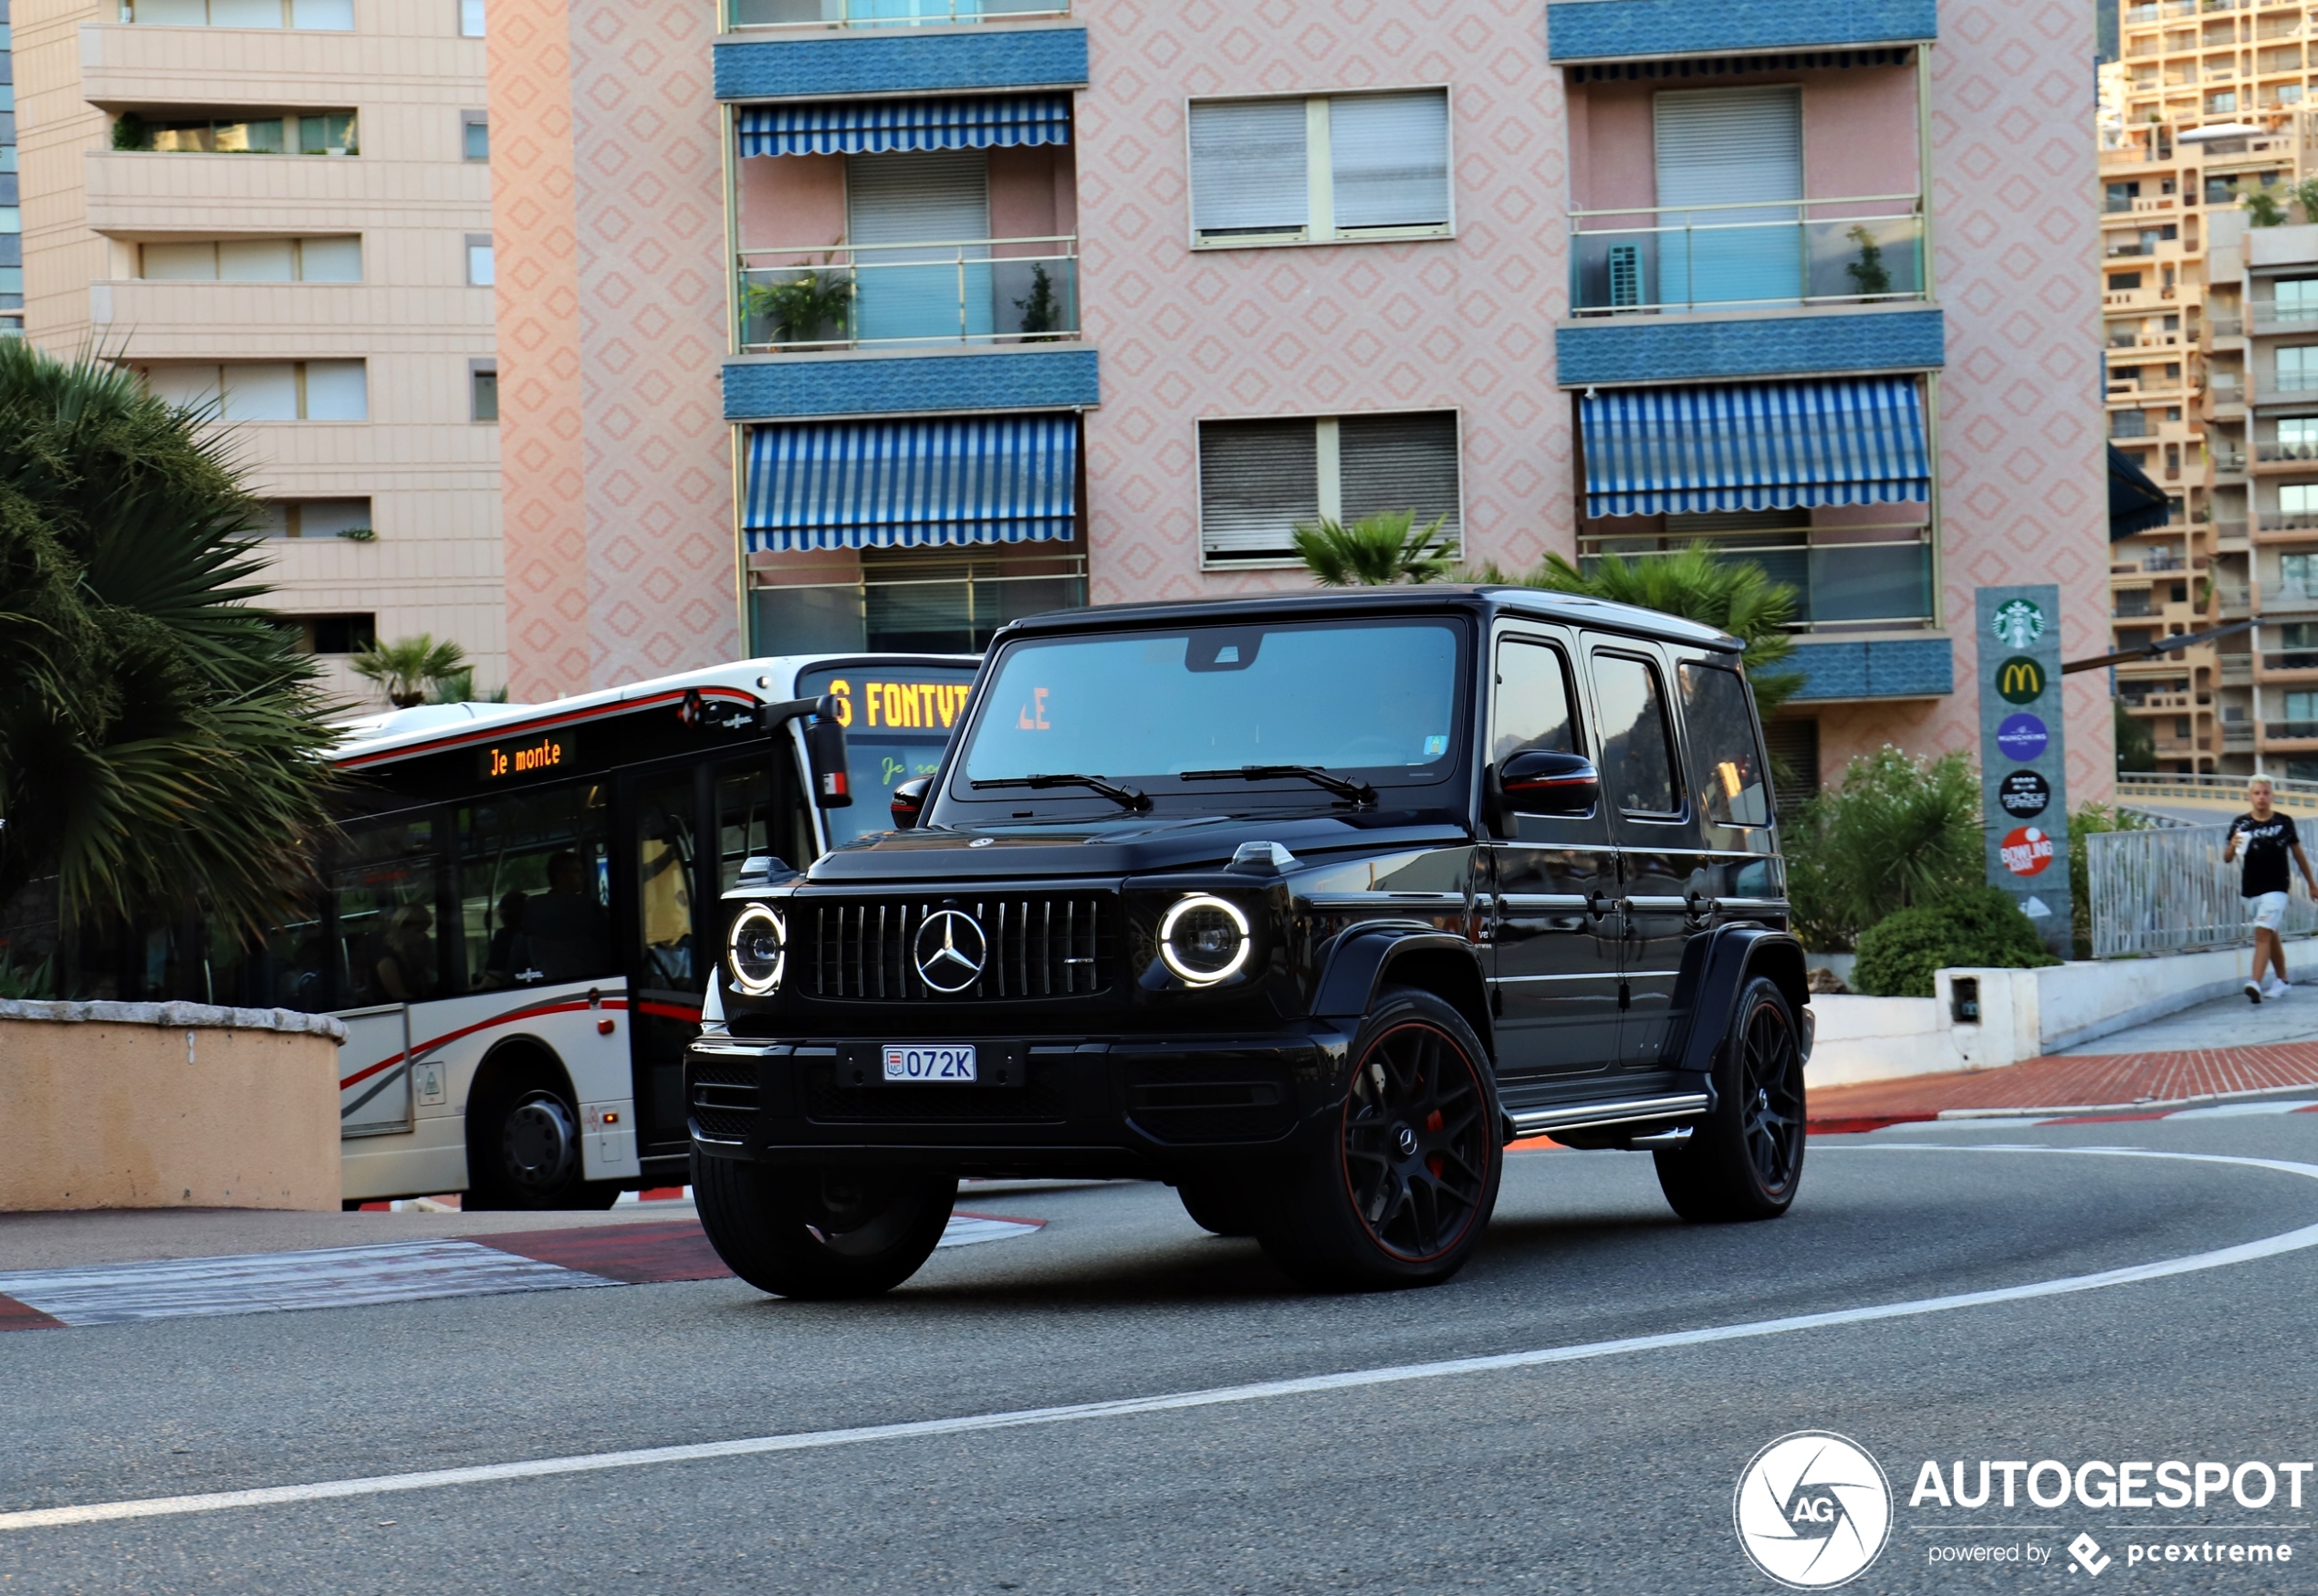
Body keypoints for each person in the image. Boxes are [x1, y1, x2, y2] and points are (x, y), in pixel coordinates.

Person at [2223, 777, 2318, 1003]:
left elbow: (2298, 854)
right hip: (2251, 890)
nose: (2261, 797)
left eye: (2266, 793)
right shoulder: (2241, 824)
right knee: (2270, 932)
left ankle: (2254, 982)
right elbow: (2227, 858)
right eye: (2257, 793)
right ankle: (2282, 980)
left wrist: (2312, 884)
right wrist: (2232, 845)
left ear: (2272, 796)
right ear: (2250, 796)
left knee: (2262, 932)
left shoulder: (2284, 822)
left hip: (2277, 888)